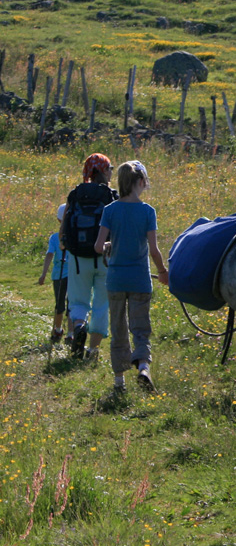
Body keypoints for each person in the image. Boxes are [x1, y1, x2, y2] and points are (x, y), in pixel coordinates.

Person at [94, 160, 168, 392]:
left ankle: (119, 382)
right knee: (140, 328)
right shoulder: (148, 211)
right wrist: (163, 272)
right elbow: (154, 250)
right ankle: (143, 367)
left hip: (116, 280)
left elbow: (98, 246)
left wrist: (108, 245)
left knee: (118, 329)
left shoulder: (110, 210)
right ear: (139, 182)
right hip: (139, 279)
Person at [60, 152, 118, 361]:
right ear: (103, 170)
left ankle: (79, 325)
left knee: (78, 300)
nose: (112, 172)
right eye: (110, 168)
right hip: (105, 257)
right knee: (102, 303)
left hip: (77, 258)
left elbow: (64, 229)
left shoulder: (76, 194)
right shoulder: (111, 196)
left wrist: (65, 244)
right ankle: (93, 350)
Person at [39, 204, 73, 344]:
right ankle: (61, 330)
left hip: (65, 274)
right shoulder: (56, 238)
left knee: (65, 304)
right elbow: (50, 254)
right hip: (69, 274)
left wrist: (43, 274)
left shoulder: (55, 238)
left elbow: (49, 256)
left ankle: (64, 331)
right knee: (66, 304)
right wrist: (43, 274)